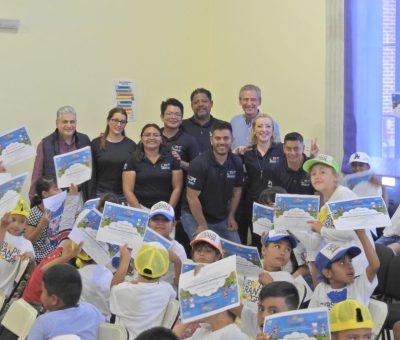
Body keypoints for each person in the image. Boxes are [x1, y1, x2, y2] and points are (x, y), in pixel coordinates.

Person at [301, 154, 375, 284]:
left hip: (356, 269)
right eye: (313, 174)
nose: (317, 176)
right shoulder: (325, 204)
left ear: (335, 177)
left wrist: (321, 229)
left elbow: (352, 233)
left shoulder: (343, 194)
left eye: (322, 172)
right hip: (340, 267)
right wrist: (291, 225)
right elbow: (313, 243)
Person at [181, 121, 243, 243]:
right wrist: (202, 224)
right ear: (211, 140)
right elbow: (192, 196)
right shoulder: (199, 163)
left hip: (221, 217)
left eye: (226, 138)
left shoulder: (237, 162)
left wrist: (231, 216)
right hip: (194, 216)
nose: (222, 142)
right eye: (218, 138)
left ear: (232, 140)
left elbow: (237, 190)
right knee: (205, 251)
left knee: (238, 255)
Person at [110, 242, 176, 339]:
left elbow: (113, 287)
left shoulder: (122, 290)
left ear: (136, 266)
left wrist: (125, 260)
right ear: (164, 272)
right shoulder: (167, 289)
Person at [239, 113, 285, 247]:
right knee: (257, 242)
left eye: (267, 126)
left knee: (276, 242)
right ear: (254, 130)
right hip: (253, 205)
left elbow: (298, 161)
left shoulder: (282, 149)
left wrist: (312, 155)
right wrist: (235, 152)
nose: (263, 129)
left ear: (272, 130)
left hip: (275, 205)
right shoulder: (247, 152)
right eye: (259, 126)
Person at [29, 105, 90, 201]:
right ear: (57, 123)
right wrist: (34, 201)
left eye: (72, 122)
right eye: (65, 122)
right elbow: (37, 176)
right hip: (55, 198)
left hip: (80, 196)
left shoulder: (84, 140)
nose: (69, 125)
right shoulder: (45, 144)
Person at [27, 264, 104, 339]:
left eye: (43, 291)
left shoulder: (43, 323)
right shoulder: (92, 310)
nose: (41, 295)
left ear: (54, 300)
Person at [308, 228, 379, 310]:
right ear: (328, 273)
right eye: (342, 263)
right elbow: (312, 313)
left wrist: (361, 234)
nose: (349, 266)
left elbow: (374, 265)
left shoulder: (359, 285)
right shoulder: (321, 288)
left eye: (350, 261)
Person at [122, 123, 183, 210]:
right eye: (147, 135)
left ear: (161, 139)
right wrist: (140, 212)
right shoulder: (133, 160)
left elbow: (177, 187)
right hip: (140, 207)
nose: (151, 138)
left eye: (155, 135)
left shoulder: (171, 158)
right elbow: (128, 190)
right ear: (142, 139)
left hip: (165, 208)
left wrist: (168, 210)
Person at [25, 176, 78, 263]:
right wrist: (41, 225)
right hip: (41, 258)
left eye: (61, 189)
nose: (61, 192)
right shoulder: (35, 212)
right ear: (45, 194)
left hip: (58, 253)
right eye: (56, 189)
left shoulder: (61, 208)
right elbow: (29, 241)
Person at [90, 107, 136, 201]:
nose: (119, 124)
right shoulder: (96, 144)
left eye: (122, 122)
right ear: (108, 121)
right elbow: (91, 173)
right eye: (115, 120)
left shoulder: (131, 146)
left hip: (124, 196)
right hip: (100, 195)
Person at [233, 281, 299, 340]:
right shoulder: (258, 324)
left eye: (274, 311)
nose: (263, 316)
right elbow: (235, 307)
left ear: (291, 316)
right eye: (261, 309)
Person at [147, 201, 187, 287]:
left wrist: (177, 261)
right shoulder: (139, 241)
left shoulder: (178, 248)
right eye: (155, 219)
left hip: (166, 295)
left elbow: (181, 286)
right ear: (148, 223)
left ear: (174, 224)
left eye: (165, 219)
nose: (160, 223)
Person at [0, 199, 34, 298]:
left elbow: (31, 272)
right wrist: (3, 226)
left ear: (26, 225)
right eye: (13, 219)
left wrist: (31, 260)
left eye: (22, 222)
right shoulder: (2, 232)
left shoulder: (26, 244)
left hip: (4, 293)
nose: (16, 225)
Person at [231, 84, 281, 150]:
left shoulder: (271, 124)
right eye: (245, 99)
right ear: (240, 101)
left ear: (259, 101)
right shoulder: (234, 122)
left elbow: (278, 149)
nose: (249, 103)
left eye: (253, 100)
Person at [181, 88, 227, 153]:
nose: (200, 104)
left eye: (204, 101)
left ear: (211, 104)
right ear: (191, 106)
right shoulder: (182, 126)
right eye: (196, 102)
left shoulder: (222, 126)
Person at [160, 98, 199, 171]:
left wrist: (179, 162)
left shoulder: (189, 140)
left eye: (177, 114)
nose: (173, 117)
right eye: (169, 114)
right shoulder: (154, 137)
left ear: (181, 119)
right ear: (162, 117)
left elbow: (198, 169)